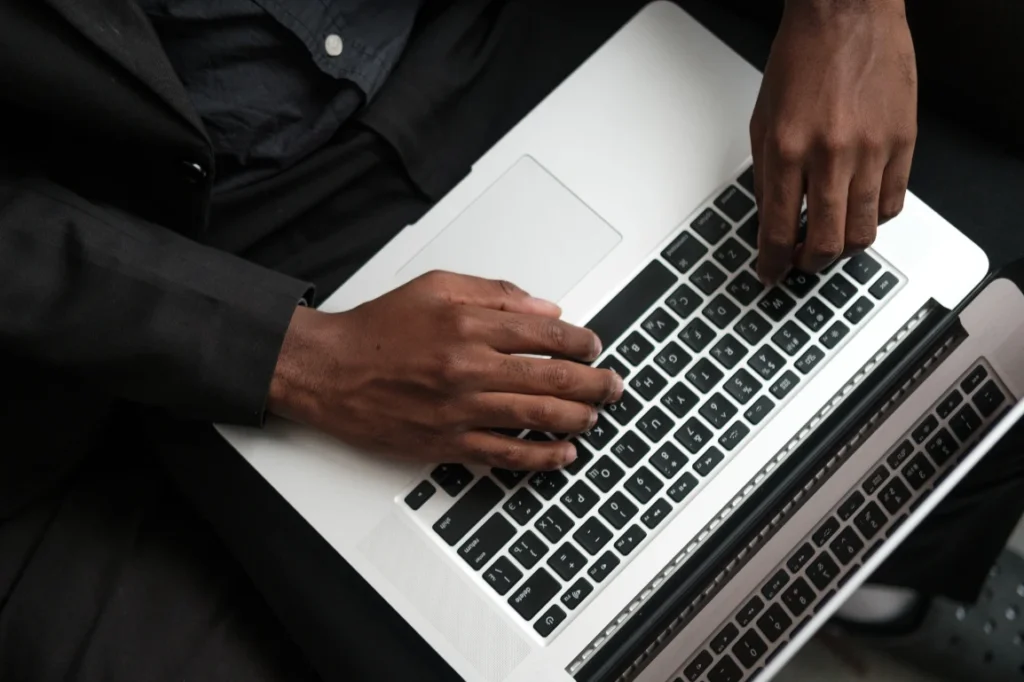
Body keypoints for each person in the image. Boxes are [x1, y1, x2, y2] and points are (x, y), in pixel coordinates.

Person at [0, 0, 1022, 680]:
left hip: (513, 25)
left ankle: (880, 580)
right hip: (217, 226)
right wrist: (299, 355)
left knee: (982, 309)